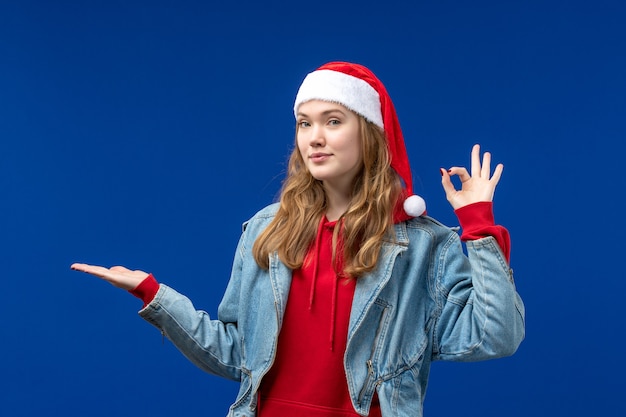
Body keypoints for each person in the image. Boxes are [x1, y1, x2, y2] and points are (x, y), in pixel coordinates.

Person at [71, 61, 525, 417]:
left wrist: (479, 229)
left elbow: (494, 337)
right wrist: (152, 293)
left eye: (333, 121)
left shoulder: (422, 244)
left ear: (369, 135)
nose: (315, 138)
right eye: (305, 124)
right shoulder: (267, 229)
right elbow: (236, 356)